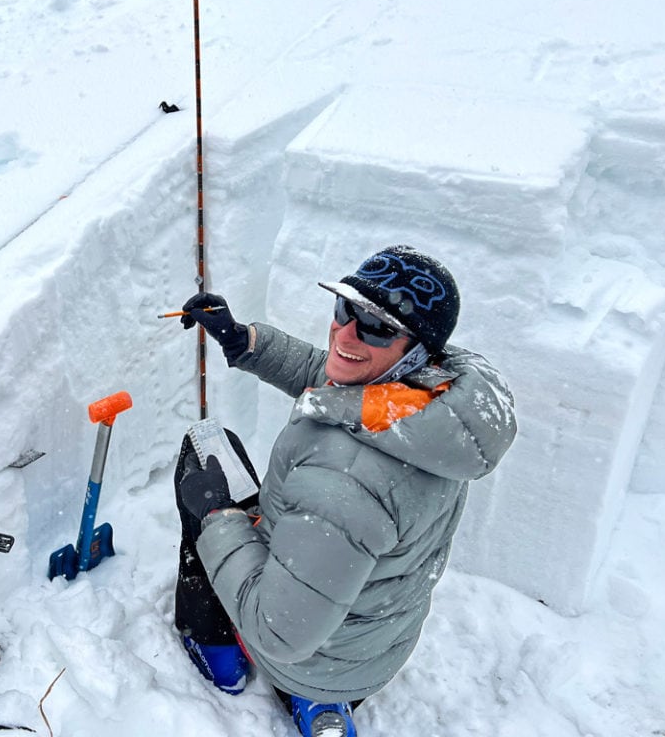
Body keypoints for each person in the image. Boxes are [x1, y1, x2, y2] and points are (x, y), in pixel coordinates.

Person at [173, 244, 517, 737]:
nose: (346, 331)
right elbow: (341, 382)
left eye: (375, 326)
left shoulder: (344, 481)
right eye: (345, 308)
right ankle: (321, 702)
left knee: (202, 457)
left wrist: (215, 515)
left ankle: (219, 650)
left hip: (301, 656)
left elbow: (279, 631)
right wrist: (243, 340)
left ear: (417, 351)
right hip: (368, 655)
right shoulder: (434, 412)